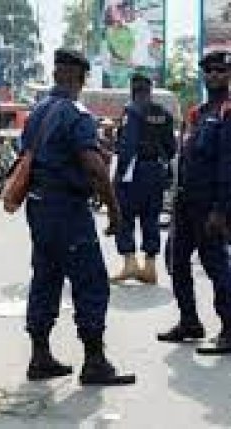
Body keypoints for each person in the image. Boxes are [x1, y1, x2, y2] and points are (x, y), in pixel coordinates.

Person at [23, 49, 135, 385]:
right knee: (90, 281)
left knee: (46, 276)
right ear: (79, 78)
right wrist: (114, 209)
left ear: (57, 74)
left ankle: (39, 356)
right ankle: (94, 361)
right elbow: (94, 167)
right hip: (67, 209)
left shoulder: (37, 112)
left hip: (39, 205)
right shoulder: (76, 114)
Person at [157, 51, 231, 354]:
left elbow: (228, 165)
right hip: (185, 202)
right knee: (176, 259)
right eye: (209, 70)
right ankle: (189, 321)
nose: (213, 75)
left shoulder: (228, 112)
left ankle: (229, 328)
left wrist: (221, 210)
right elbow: (184, 158)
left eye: (220, 70)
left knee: (216, 266)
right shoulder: (197, 113)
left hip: (210, 204)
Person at [111, 73, 176, 285]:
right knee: (151, 218)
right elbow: (172, 148)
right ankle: (150, 267)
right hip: (155, 172)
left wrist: (119, 176)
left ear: (133, 90)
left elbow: (127, 146)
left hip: (134, 172)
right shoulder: (164, 114)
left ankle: (130, 263)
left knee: (125, 217)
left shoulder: (131, 111)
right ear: (150, 90)